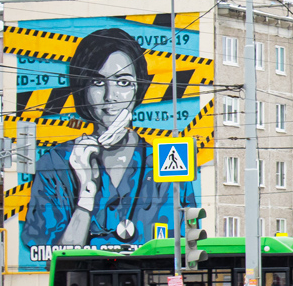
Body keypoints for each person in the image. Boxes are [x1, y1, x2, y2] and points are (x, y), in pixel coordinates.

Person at [23, 28, 196, 254]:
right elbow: (51, 260)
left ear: (138, 88)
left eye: (123, 82)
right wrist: (85, 196)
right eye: (97, 82)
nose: (109, 96)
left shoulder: (166, 164)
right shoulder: (54, 165)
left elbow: (188, 249)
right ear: (82, 89)